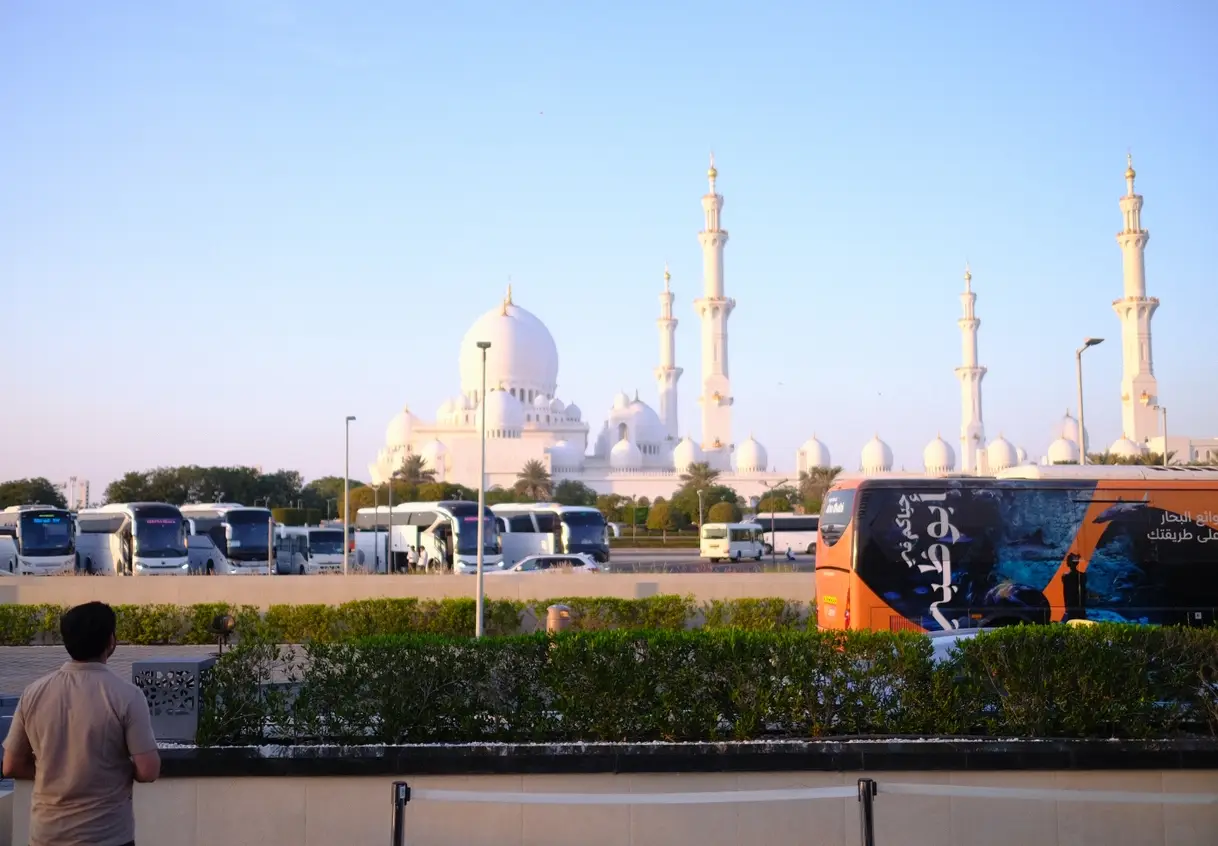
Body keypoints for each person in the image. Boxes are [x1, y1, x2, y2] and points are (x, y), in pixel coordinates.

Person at [2, 601, 161, 846]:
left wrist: (54, 773)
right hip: (108, 836)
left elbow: (10, 765)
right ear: (111, 641)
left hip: (47, 835)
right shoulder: (127, 696)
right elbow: (148, 770)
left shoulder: (33, 693)